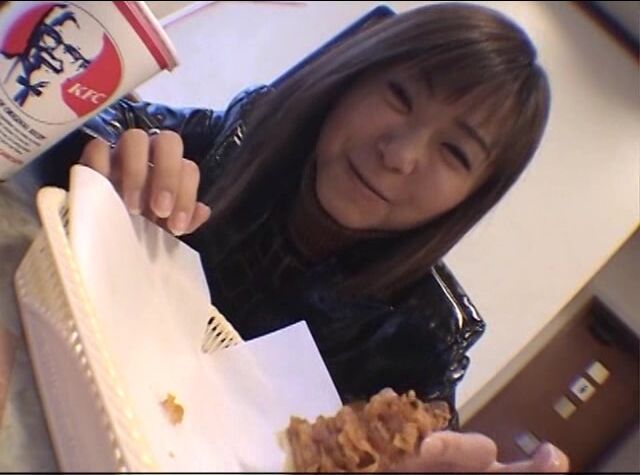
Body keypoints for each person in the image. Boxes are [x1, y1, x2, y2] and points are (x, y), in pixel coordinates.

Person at [54, 2, 568, 472]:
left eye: (455, 153)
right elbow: (110, 122)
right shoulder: (247, 134)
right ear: (356, 74)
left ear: (471, 197)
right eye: (400, 96)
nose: (399, 155)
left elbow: (426, 454)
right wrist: (113, 158)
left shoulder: (423, 343)